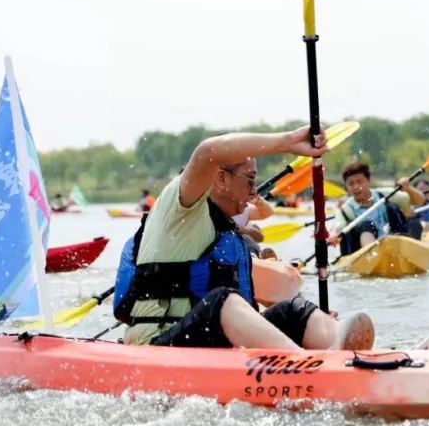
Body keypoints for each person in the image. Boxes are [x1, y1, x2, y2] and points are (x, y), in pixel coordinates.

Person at [114, 126, 377, 351]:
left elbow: (239, 315)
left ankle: (344, 351)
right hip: (157, 345)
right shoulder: (181, 208)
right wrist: (287, 142)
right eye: (250, 180)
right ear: (220, 178)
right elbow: (208, 151)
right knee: (222, 300)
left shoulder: (226, 229)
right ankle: (309, 366)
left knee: (292, 311)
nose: (253, 191)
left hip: (209, 340)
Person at [328, 162, 425, 255]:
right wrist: (333, 235)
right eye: (351, 184)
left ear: (369, 181)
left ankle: (410, 253)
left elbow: (421, 201)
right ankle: (372, 254)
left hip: (392, 244)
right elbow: (337, 227)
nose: (356, 187)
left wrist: (408, 189)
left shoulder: (386, 195)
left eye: (359, 182)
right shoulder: (346, 210)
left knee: (414, 223)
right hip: (363, 252)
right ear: (346, 187)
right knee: (366, 224)